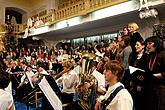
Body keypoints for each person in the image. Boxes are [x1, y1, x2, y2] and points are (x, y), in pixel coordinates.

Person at [144, 36, 165, 110]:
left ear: (156, 44)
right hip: (150, 86)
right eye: (147, 44)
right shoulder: (150, 55)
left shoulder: (163, 54)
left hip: (161, 86)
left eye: (150, 43)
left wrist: (157, 75)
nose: (148, 46)